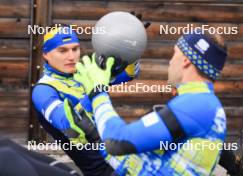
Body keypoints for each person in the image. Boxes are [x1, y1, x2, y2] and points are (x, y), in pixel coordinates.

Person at [71, 29, 229, 175]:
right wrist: (97, 137)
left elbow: (118, 142)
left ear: (186, 60)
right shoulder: (202, 103)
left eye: (175, 54)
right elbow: (141, 164)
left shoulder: (196, 104)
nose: (170, 62)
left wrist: (98, 92)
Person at [31, 25, 140, 176]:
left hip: (125, 154)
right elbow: (67, 123)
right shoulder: (43, 90)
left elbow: (129, 74)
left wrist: (131, 48)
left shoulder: (84, 73)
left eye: (75, 49)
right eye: (62, 50)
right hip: (104, 170)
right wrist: (94, 92)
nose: (71, 56)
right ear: (46, 54)